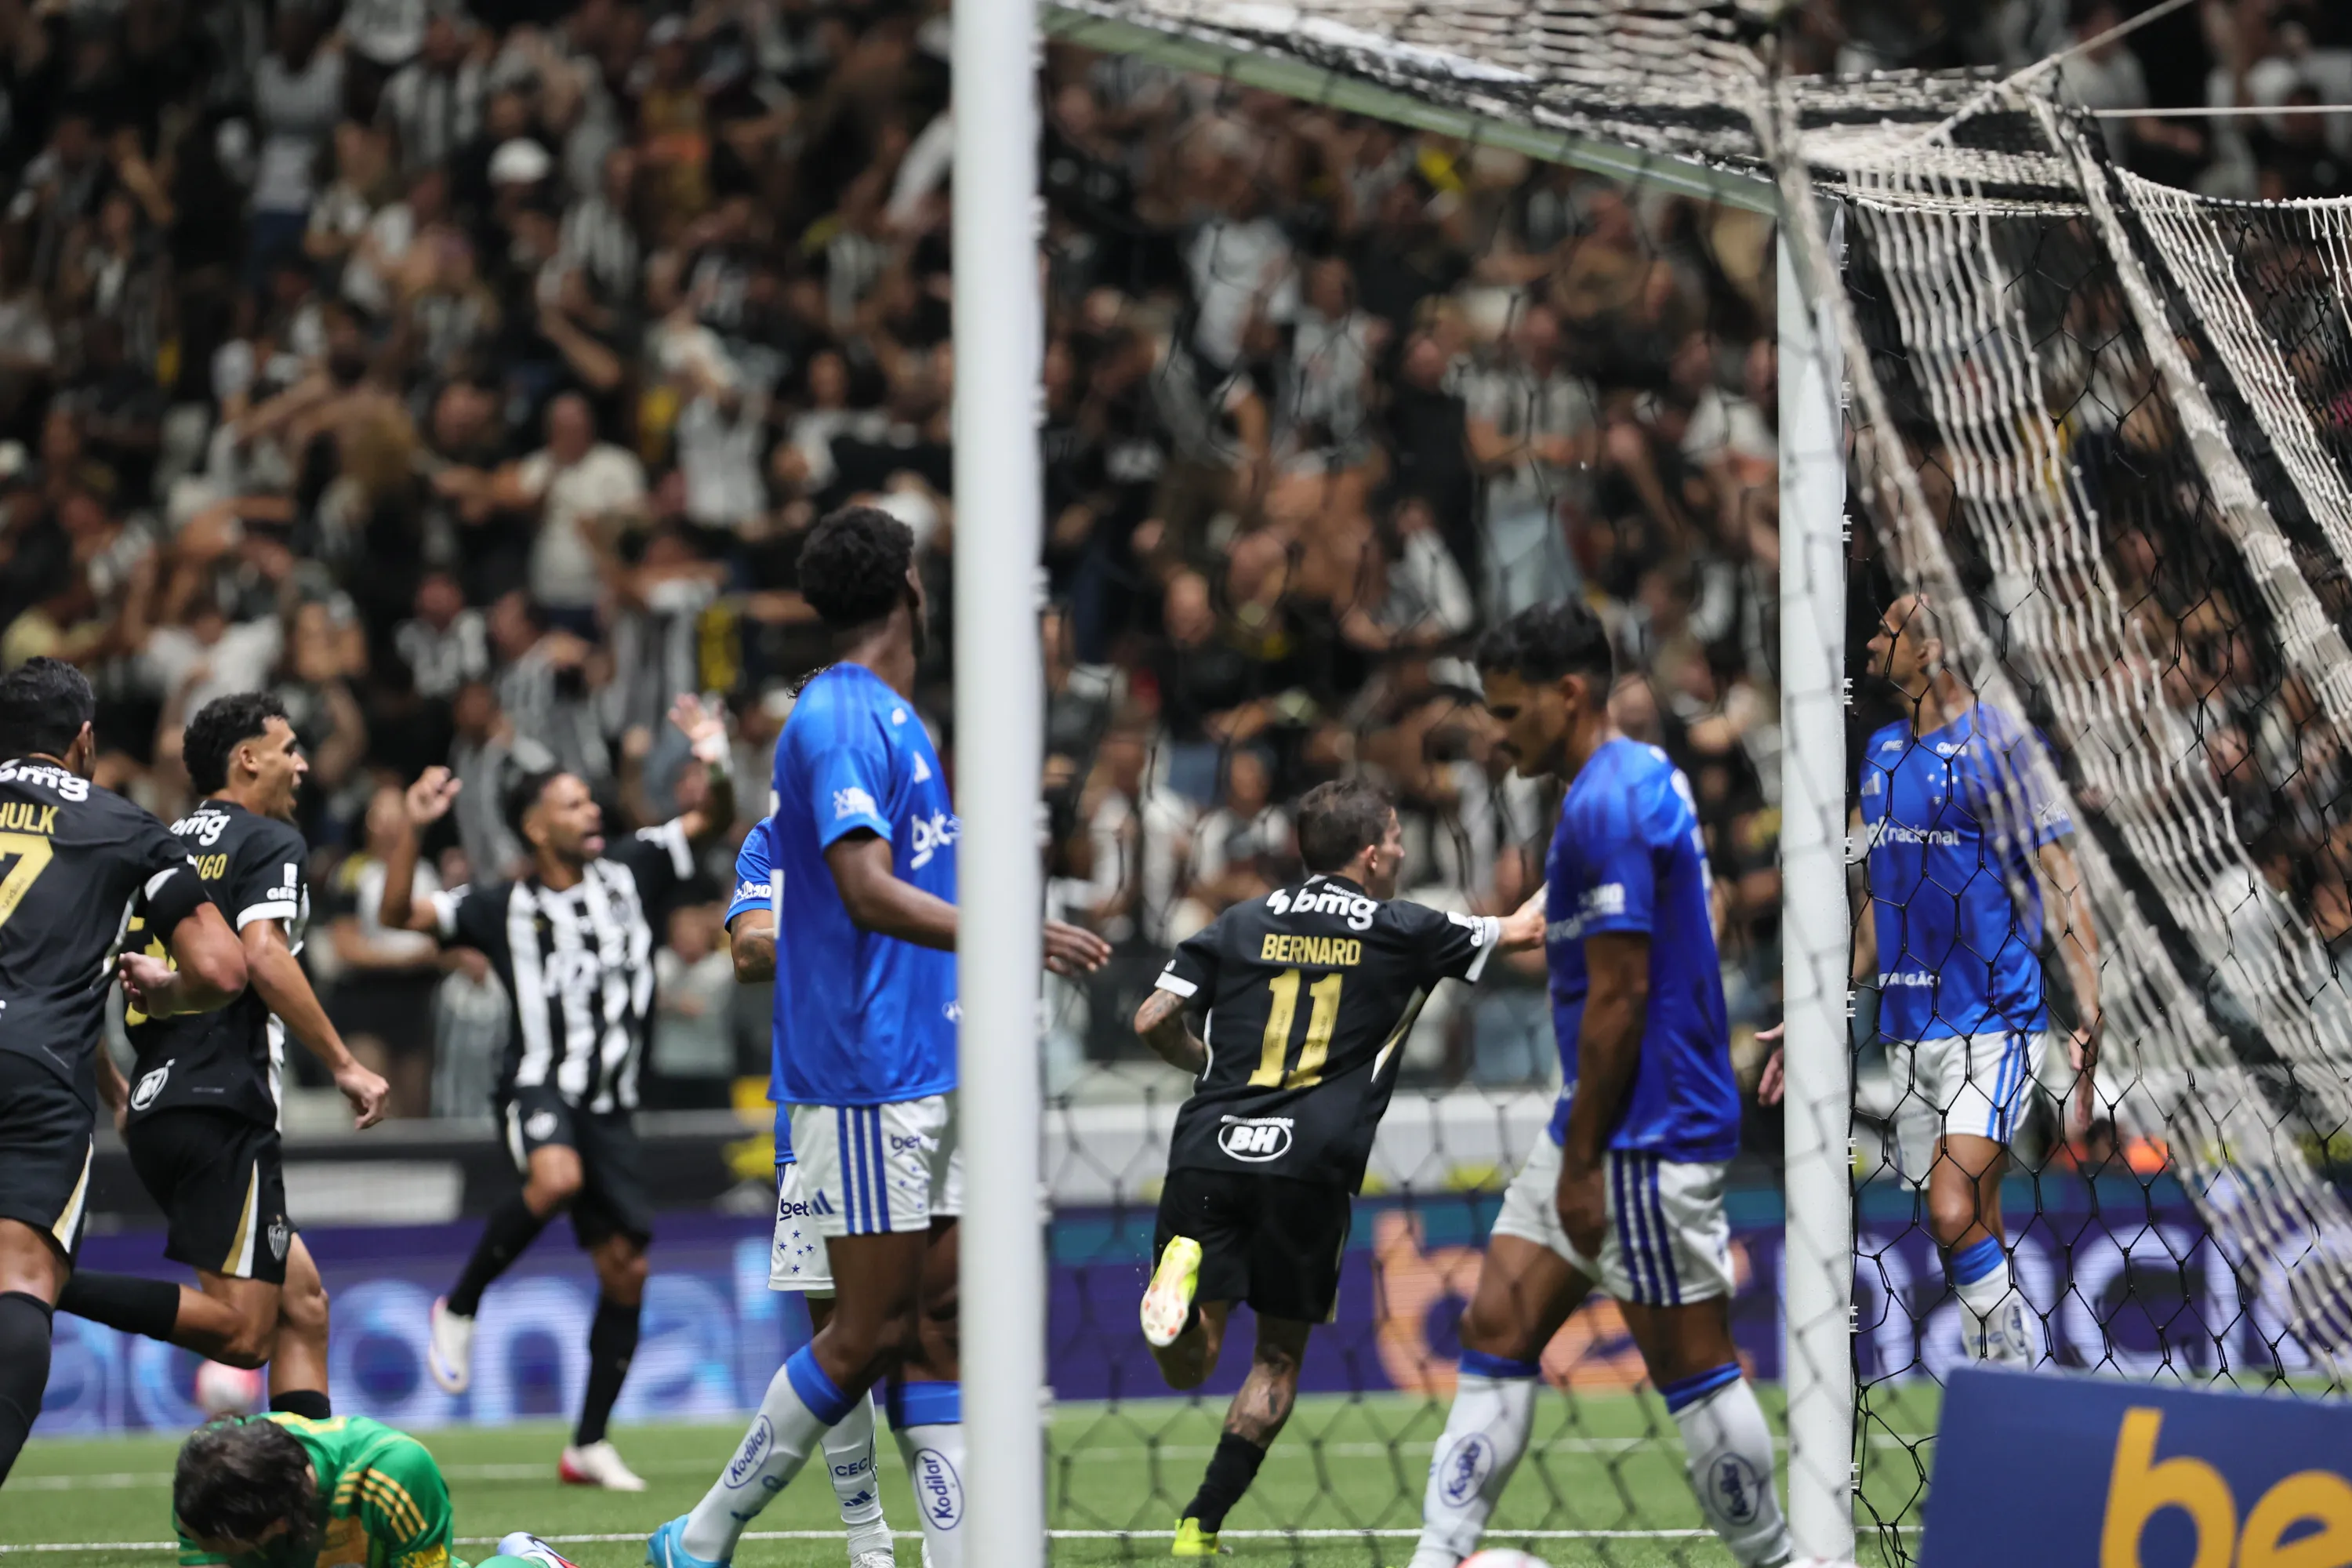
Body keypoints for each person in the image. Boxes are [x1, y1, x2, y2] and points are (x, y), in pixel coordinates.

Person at [650, 505, 1111, 1568]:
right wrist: (1011, 933)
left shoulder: (902, 719)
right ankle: (706, 1537)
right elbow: (861, 891)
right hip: (863, 1073)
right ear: (910, 582)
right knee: (859, 1335)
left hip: (930, 1062)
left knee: (936, 1322)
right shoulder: (841, 717)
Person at [1406, 601, 1794, 1568]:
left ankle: (1782, 1561)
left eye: (1508, 711)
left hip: (1641, 1128)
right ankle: (1435, 1555)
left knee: (1693, 1363)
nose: (1497, 734)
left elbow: (1620, 995)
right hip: (1599, 1118)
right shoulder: (1625, 782)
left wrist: (1584, 1160)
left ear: (1567, 694)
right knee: (1497, 1321)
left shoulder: (1609, 803)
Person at [1134, 779, 1545, 1556]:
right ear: (1370, 852)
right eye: (1394, 836)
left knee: (1192, 1362)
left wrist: (1205, 1061)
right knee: (1277, 1355)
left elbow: (1152, 1015)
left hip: (1209, 1147)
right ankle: (1200, 1522)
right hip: (1309, 1164)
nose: (1399, 848)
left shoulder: (1240, 918)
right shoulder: (1404, 927)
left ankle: (1173, 1285)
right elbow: (1525, 930)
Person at [375, 695, 737, 1490]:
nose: (591, 809)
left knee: (626, 1270)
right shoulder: (501, 906)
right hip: (537, 1083)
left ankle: (588, 1443)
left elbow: (717, 819)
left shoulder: (634, 867)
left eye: (588, 798)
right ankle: (460, 1305)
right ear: (537, 827)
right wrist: (412, 825)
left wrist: (713, 752)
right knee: (555, 1178)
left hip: (611, 1104)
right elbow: (397, 910)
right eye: (571, 802)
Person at [1766, 594, 2097, 1363]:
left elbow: (2062, 872)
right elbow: (1881, 914)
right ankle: (2007, 1407)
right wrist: (1817, 1002)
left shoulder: (2003, 746)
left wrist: (2090, 995)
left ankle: (2022, 1369)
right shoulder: (1882, 754)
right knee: (1972, 1222)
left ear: (1933, 647)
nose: (1874, 640)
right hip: (1913, 1031)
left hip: (1997, 1019)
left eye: (1888, 630)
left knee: (1950, 1209)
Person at [58, 693, 392, 1417]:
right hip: (220, 1104)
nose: (302, 766)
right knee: (245, 1335)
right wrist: (343, 1063)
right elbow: (263, 956)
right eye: (289, 749)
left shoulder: (154, 843)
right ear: (247, 759)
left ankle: (299, 1503)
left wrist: (115, 1087)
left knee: (303, 1303)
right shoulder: (268, 840)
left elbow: (83, 975)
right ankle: (43, 1284)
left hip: (158, 1106)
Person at [0, 657, 249, 1486]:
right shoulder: (125, 825)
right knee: (24, 1278)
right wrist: (164, 993)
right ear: (82, 740)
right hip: (34, 1070)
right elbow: (220, 969)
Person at [719, 817, 897, 1568]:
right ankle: (868, 1535)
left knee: (936, 1329)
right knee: (839, 1339)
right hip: (818, 1114)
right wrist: (858, 933)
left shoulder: (920, 822)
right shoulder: (773, 838)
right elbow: (750, 949)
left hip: (921, 1102)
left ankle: (966, 1526)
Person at [172, 1411, 583, 1568]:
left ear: (277, 1525)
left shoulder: (393, 1471)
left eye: (221, 1547)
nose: (206, 1549)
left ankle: (533, 1562)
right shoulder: (206, 1485)